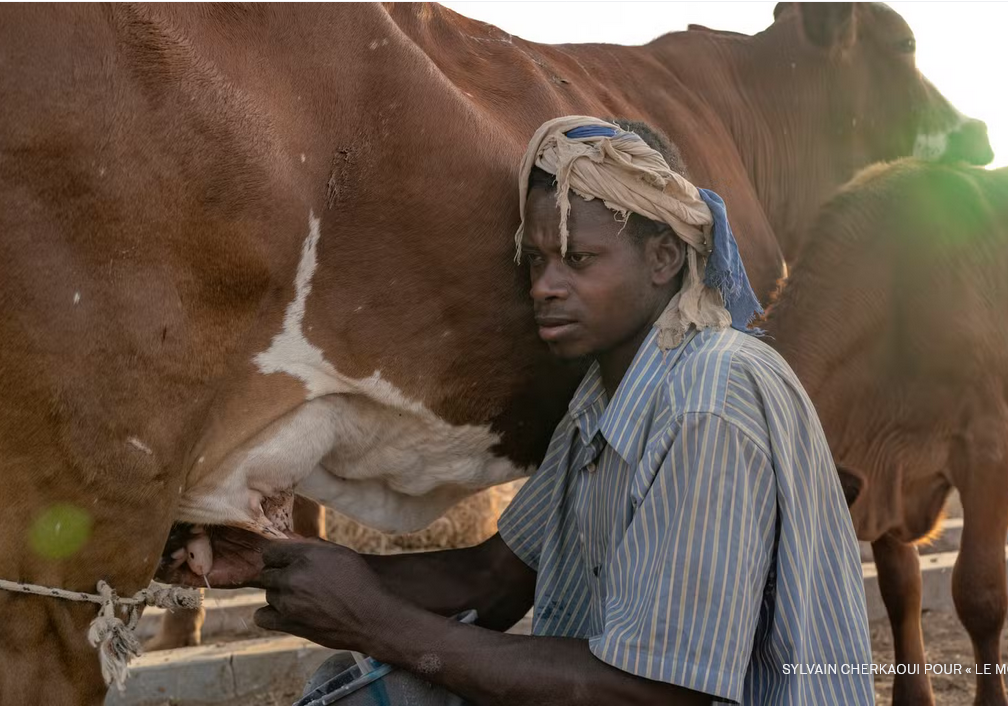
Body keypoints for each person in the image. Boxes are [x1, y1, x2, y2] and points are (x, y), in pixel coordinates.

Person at [250, 116, 875, 705]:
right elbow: (494, 578)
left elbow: (655, 693)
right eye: (536, 261)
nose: (545, 286)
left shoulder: (708, 399)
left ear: (663, 258)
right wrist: (269, 563)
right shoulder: (603, 395)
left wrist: (375, 623)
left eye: (577, 260)